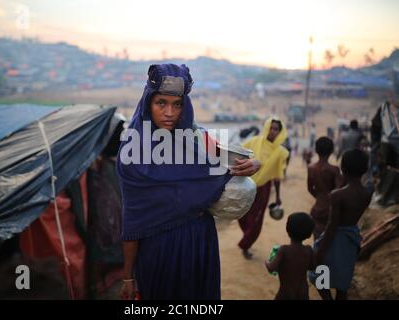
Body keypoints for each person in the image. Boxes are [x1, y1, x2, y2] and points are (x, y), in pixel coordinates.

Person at [117, 64, 260, 300]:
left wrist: (254, 164)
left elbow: (231, 159)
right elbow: (132, 219)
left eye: (178, 104)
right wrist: (128, 276)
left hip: (200, 242)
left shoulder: (196, 138)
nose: (170, 112)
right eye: (161, 103)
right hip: (159, 250)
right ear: (147, 103)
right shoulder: (133, 154)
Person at [309, 149, 373, 300]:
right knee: (342, 283)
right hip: (351, 239)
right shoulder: (367, 193)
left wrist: (320, 252)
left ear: (343, 168)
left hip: (334, 239)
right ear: (365, 169)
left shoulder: (337, 195)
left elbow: (331, 226)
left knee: (319, 277)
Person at [238, 117, 289, 259]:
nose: (273, 131)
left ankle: (245, 244)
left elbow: (277, 176)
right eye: (271, 128)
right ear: (267, 127)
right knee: (242, 215)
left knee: (257, 218)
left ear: (280, 132)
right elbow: (238, 154)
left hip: (263, 189)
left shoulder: (280, 152)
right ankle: (247, 236)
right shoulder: (254, 142)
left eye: (276, 129)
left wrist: (278, 196)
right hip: (246, 185)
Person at [265, 212, 315, 300]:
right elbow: (312, 267)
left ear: (287, 229)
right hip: (303, 292)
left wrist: (267, 262)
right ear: (309, 233)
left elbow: (271, 268)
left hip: (286, 293)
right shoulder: (309, 250)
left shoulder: (284, 250)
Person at [307, 137, 343, 240]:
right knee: (330, 240)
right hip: (331, 210)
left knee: (317, 240)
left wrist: (319, 197)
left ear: (316, 150)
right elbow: (338, 191)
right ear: (331, 151)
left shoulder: (311, 168)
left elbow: (310, 189)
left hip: (317, 209)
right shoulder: (335, 170)